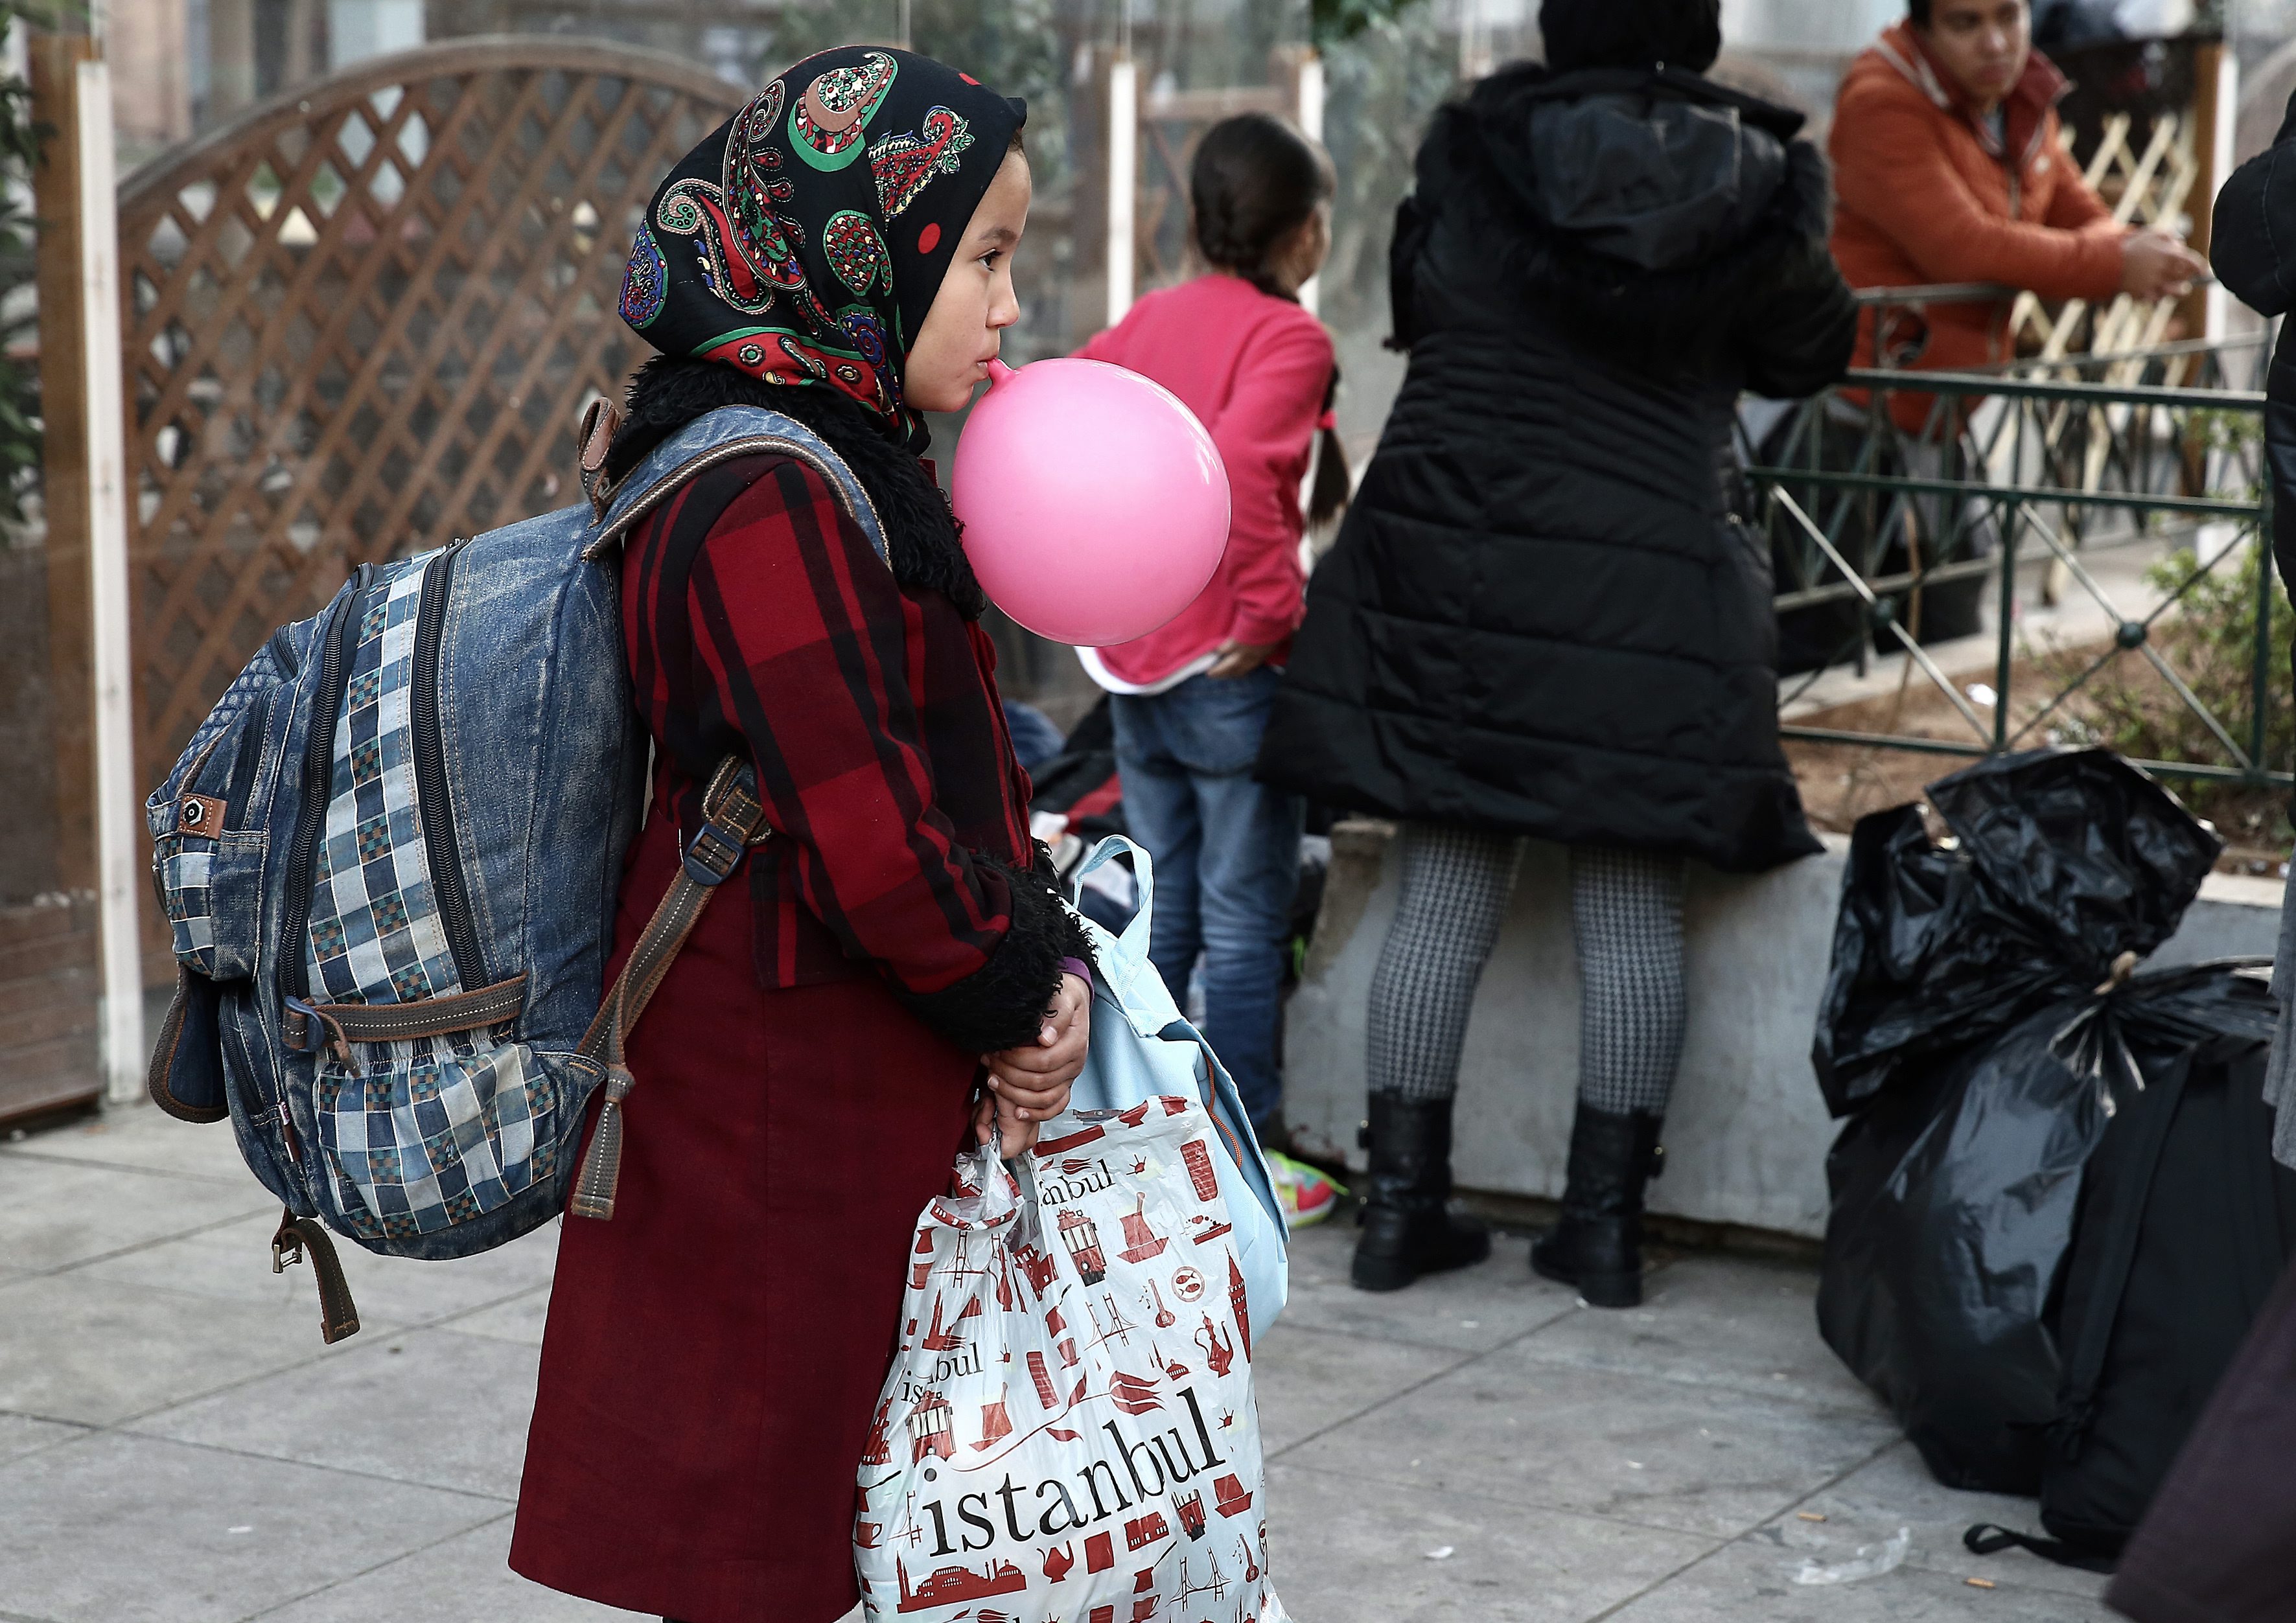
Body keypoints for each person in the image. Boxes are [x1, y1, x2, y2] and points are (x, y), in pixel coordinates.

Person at [510, 49, 1093, 1623]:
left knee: (843, 1521)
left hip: (818, 1056)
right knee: (771, 1539)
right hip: (779, 1091)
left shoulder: (825, 452)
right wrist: (1023, 989)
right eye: (983, 257)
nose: (1009, 303)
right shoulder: (763, 486)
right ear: (861, 250)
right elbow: (863, 832)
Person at [1257, 0, 1857, 1303]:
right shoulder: (1757, 176)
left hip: (1459, 552)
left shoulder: (1476, 152)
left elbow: (1419, 305)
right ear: (1694, 32)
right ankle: (1602, 1232)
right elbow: (1814, 345)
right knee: (1630, 901)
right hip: (1651, 579)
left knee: (1442, 884)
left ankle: (1399, 1212)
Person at [1071, 113, 1345, 1157]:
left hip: (1134, 662)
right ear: (1306, 236)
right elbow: (1241, 469)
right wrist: (1272, 614)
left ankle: (1153, 1128)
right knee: (1241, 918)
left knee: (1166, 902)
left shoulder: (1141, 322)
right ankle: (1238, 1150)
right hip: (1231, 662)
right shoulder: (1289, 337)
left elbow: (1071, 415)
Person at [1829, 0, 2206, 433]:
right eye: (1964, 24)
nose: (1994, 44)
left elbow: (2073, 205)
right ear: (1922, 30)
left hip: (1945, 402)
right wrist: (2117, 261)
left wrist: (2127, 246)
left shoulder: (2017, 94)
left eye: (2008, 17)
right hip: (1859, 401)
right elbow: (1962, 246)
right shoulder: (1882, 100)